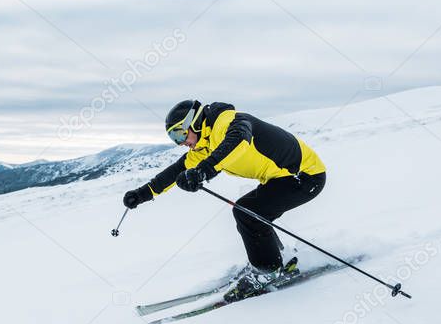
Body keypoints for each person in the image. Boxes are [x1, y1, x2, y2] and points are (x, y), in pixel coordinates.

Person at [122, 99, 327, 300]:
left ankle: (268, 270)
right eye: (173, 138)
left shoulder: (225, 122)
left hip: (305, 176)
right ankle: (274, 259)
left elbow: (238, 140)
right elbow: (176, 170)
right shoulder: (205, 145)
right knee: (251, 211)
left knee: (246, 212)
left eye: (179, 133)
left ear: (192, 123)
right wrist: (141, 194)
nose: (180, 142)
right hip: (281, 178)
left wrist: (203, 171)